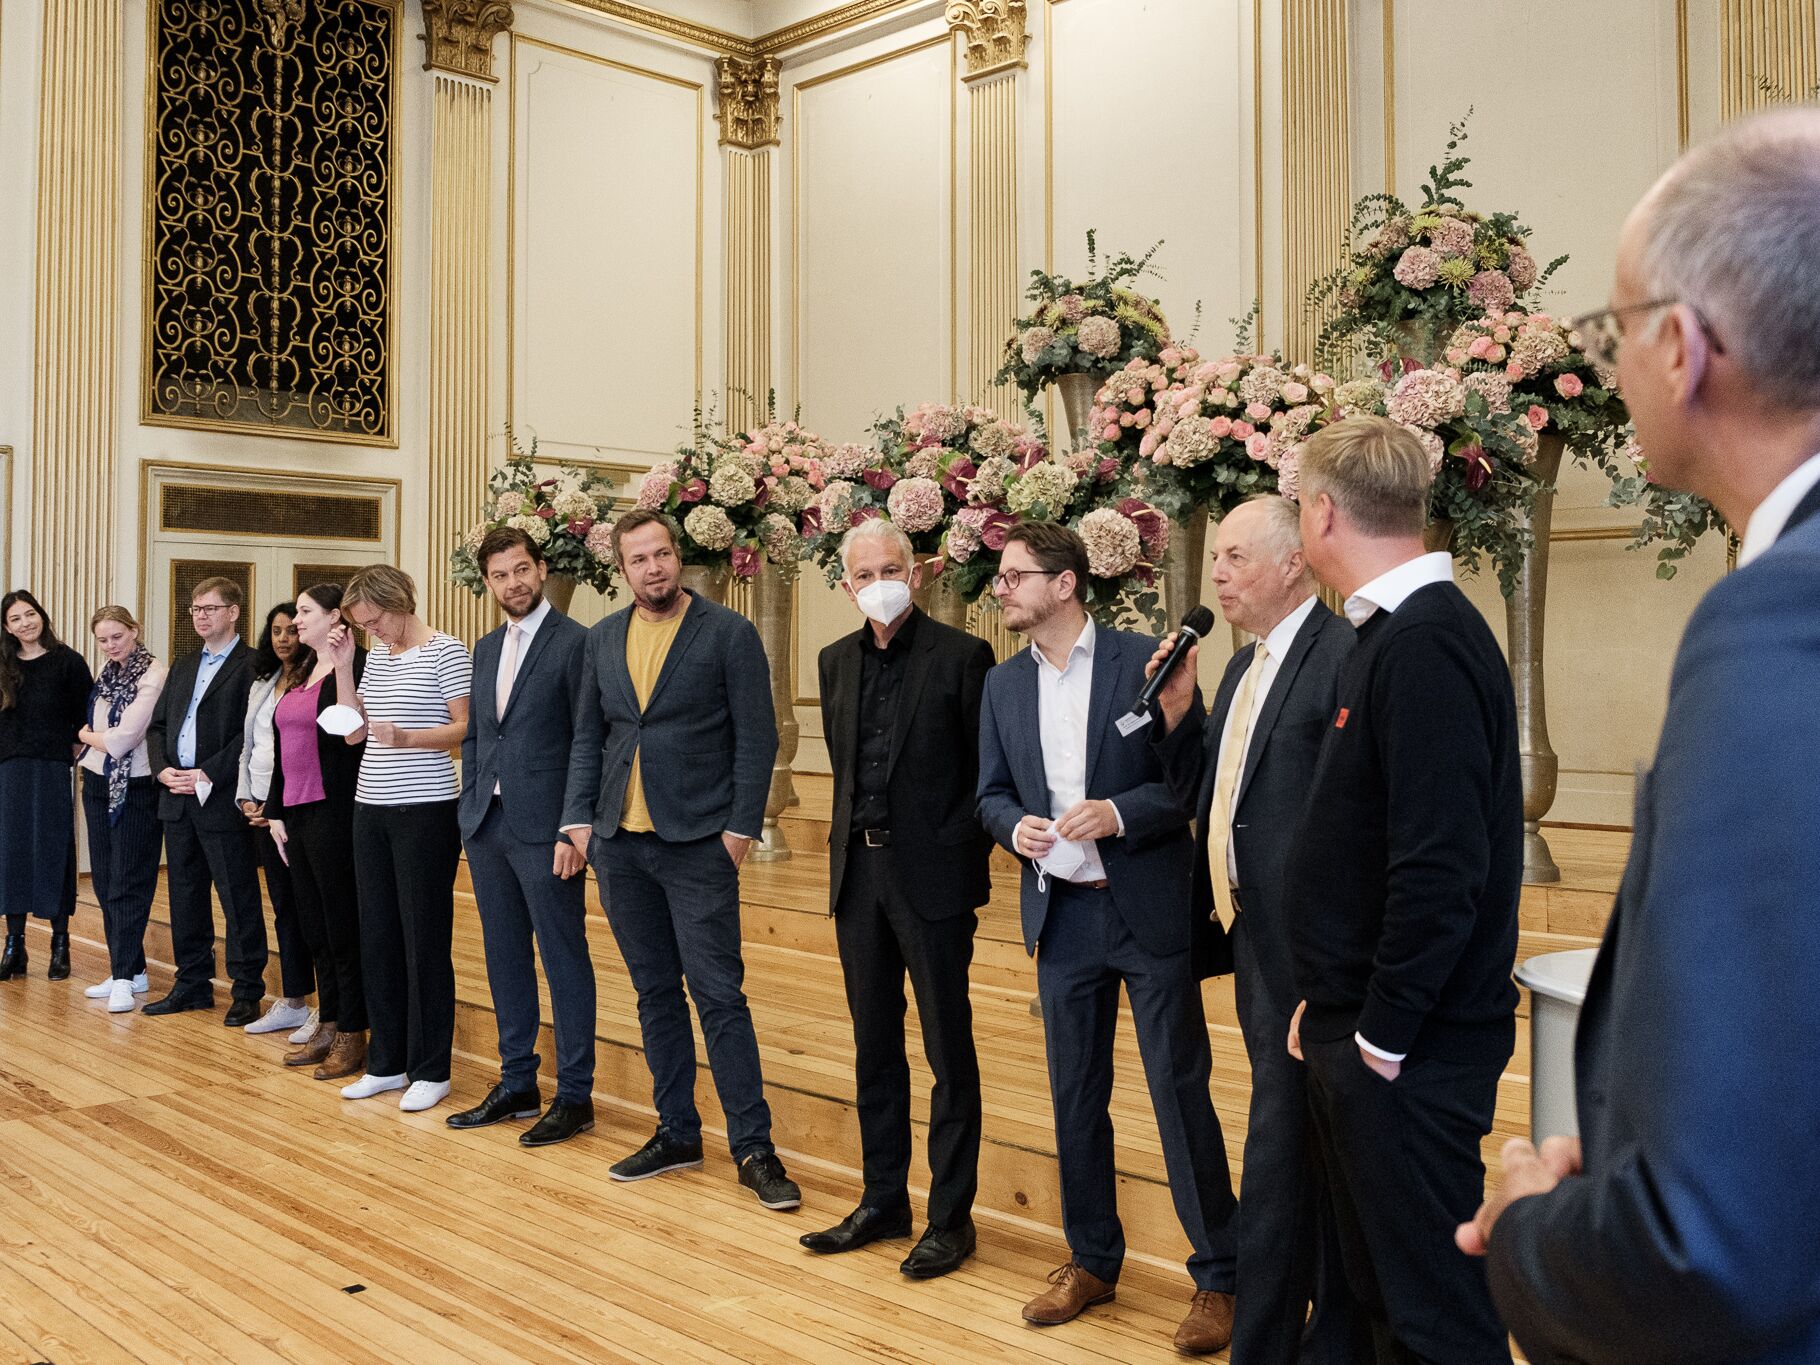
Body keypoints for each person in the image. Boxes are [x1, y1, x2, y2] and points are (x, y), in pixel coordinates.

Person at [1464, 108, 1820, 1365]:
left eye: (1607, 330)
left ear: (1680, 347)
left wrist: (1531, 1232)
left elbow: (1709, 1248)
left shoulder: (1778, 619)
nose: (1607, 366)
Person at [1281, 415, 1520, 1365]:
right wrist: (1330, 1001)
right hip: (1369, 1028)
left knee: (1434, 1320)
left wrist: (1378, 1034)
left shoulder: (1425, 643)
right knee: (1377, 1300)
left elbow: (1439, 869)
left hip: (1410, 1050)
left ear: (1323, 512)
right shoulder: (1392, 634)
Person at [975, 521, 1239, 1354]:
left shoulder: (1143, 660)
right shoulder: (1002, 684)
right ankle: (1090, 1259)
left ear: (1064, 583)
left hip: (1147, 909)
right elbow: (988, 792)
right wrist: (1012, 826)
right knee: (1075, 1095)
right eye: (1000, 576)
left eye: (1014, 575)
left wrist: (1119, 813)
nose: (1001, 588)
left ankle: (1221, 1275)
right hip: (1061, 913)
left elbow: (1190, 783)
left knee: (1177, 1090)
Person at [1147, 496, 1365, 1365]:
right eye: (1218, 557)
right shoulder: (1242, 666)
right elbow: (1213, 796)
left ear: (1293, 563)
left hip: (1313, 950)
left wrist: (1333, 958)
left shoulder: (1341, 654)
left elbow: (1350, 816)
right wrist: (1177, 717)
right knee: (1304, 1139)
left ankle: (1266, 1341)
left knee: (1280, 1147)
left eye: (1236, 556)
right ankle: (1329, 1333)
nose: (1218, 573)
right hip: (1251, 938)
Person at [561, 509, 799, 1211]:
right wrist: (580, 822)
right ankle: (676, 1131)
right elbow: (589, 737)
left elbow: (757, 738)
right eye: (638, 559)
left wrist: (740, 831)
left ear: (677, 556)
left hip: (699, 845)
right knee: (654, 993)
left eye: (661, 553)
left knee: (719, 996)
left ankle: (753, 1147)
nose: (653, 567)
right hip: (620, 845)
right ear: (622, 569)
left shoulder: (727, 632)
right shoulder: (602, 638)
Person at [802, 518, 994, 1278]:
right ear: (847, 586)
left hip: (933, 880)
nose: (878, 582)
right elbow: (845, 768)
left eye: (891, 568)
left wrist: (956, 854)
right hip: (858, 877)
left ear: (915, 574)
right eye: (864, 573)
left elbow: (985, 775)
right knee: (874, 1045)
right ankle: (884, 1198)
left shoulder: (963, 657)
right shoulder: (833, 661)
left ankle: (951, 1218)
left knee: (948, 1048)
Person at [449, 527, 598, 1148]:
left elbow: (589, 739)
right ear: (487, 583)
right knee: (504, 955)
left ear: (540, 569)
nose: (512, 583)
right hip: (488, 825)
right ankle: (517, 1083)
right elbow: (479, 735)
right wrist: (470, 808)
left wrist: (574, 826)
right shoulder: (485, 648)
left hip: (549, 831)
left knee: (564, 959)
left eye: (520, 570)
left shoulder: (578, 643)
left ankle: (575, 1096)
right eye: (499, 575)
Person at [328, 565, 470, 1114]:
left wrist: (410, 737)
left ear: (400, 602)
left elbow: (466, 728)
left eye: (376, 620)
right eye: (362, 625)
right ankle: (387, 1062)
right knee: (378, 937)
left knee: (423, 940)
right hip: (370, 808)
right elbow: (354, 733)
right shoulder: (379, 658)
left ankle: (432, 1069)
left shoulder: (445, 652)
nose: (372, 631)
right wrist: (344, 667)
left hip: (425, 811)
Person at [143, 576, 269, 1024]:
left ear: (233, 612)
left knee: (237, 896)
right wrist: (162, 769)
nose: (200, 616)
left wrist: (208, 772)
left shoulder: (253, 665)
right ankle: (192, 984)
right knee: (185, 896)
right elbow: (158, 727)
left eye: (210, 608)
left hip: (220, 797)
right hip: (177, 798)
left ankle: (247, 990)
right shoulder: (182, 665)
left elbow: (249, 734)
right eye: (196, 609)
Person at [264, 584, 369, 1082]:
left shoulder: (356, 666)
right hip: (295, 812)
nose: (296, 620)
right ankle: (328, 1020)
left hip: (334, 811)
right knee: (314, 927)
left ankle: (353, 1030)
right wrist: (275, 812)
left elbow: (352, 739)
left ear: (335, 618)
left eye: (305, 612)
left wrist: (343, 668)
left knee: (341, 926)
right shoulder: (302, 669)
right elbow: (283, 748)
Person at [76, 607, 167, 1012]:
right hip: (98, 782)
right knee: (104, 881)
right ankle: (131, 968)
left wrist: (85, 736)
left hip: (136, 787)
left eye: (117, 636)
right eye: (103, 639)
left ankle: (124, 979)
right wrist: (97, 736)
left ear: (135, 630)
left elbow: (123, 739)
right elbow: (106, 736)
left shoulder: (153, 674)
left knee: (128, 883)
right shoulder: (107, 672)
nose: (111, 645)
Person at [0, 591, 93, 982]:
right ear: (7, 628)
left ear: (42, 615)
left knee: (55, 849)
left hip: (53, 768)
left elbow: (85, 716)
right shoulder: (2, 665)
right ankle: (14, 945)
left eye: (30, 614)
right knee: (12, 853)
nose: (25, 623)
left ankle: (60, 943)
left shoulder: (68, 661)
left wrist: (71, 748)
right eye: (15, 619)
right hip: (10, 770)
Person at [236, 602, 316, 1038]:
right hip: (261, 807)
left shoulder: (316, 677)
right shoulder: (264, 680)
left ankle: (327, 1006)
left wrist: (275, 805)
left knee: (311, 905)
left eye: (292, 630)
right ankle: (294, 999)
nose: (284, 638)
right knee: (284, 907)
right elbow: (249, 745)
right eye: (276, 631)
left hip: (298, 804)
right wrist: (246, 797)